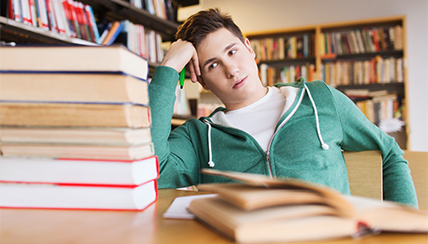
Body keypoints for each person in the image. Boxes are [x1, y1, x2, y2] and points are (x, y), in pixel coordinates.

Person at [149, 8, 418, 208]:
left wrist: (403, 231)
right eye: (213, 65)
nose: (231, 69)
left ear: (248, 48)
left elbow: (390, 153)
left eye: (232, 52)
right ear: (202, 81)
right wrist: (169, 68)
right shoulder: (198, 136)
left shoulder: (319, 99)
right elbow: (152, 172)